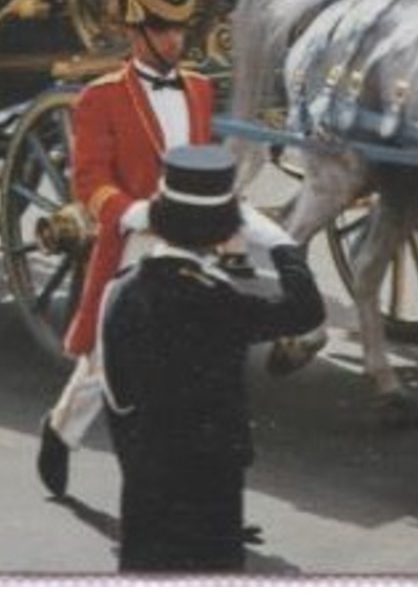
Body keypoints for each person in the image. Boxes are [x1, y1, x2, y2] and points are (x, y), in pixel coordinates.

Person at [36, 0, 215, 498]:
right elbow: (89, 180)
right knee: (107, 369)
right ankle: (61, 431)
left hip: (188, 242)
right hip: (132, 247)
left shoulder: (199, 89)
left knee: (188, 367)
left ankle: (192, 492)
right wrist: (134, 213)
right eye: (163, 32)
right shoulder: (102, 98)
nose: (174, 43)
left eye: (179, 31)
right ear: (138, 32)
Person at [100, 144, 325, 572]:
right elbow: (306, 310)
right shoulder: (220, 301)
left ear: (159, 220)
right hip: (213, 493)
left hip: (145, 490)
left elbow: (117, 396)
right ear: (225, 230)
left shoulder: (121, 291)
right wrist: (280, 241)